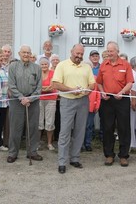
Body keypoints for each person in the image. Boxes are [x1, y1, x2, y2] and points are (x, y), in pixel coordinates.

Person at [52, 44, 95, 174]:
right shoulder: (62, 65)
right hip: (67, 101)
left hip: (83, 101)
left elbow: (92, 83)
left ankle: (75, 158)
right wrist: (71, 90)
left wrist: (87, 91)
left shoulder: (86, 67)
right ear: (71, 51)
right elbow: (56, 84)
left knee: (80, 131)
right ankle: (62, 161)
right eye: (77, 53)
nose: (79, 56)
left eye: (81, 54)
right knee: (65, 131)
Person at [96, 41, 134, 167]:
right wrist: (102, 92)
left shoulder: (126, 65)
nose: (109, 53)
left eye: (112, 51)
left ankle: (123, 155)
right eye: (108, 51)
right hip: (107, 100)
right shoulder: (103, 65)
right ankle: (109, 155)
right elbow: (99, 82)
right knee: (107, 128)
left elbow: (130, 83)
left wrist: (122, 92)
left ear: (117, 51)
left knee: (124, 128)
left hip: (122, 99)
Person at [7, 45, 42, 163]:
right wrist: (21, 98)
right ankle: (13, 153)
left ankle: (32, 152)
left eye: (28, 52)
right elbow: (11, 85)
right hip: (17, 102)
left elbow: (39, 87)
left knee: (33, 128)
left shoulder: (37, 68)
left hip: (33, 102)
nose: (26, 55)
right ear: (19, 53)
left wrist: (30, 99)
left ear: (31, 54)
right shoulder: (13, 67)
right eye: (24, 52)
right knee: (15, 128)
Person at [38, 57, 57, 150]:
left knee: (50, 121)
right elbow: (36, 87)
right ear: (39, 65)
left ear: (48, 65)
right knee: (39, 121)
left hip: (51, 100)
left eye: (45, 64)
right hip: (39, 100)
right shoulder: (37, 74)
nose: (44, 66)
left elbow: (52, 86)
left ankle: (49, 143)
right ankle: (37, 143)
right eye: (42, 64)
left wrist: (42, 89)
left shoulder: (53, 73)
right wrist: (45, 89)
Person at [84, 61, 101, 151]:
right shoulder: (80, 78)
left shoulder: (95, 79)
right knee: (80, 126)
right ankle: (80, 144)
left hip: (91, 107)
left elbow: (98, 93)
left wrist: (97, 104)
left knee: (89, 126)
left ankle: (87, 143)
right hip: (81, 107)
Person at [1, 44, 12, 147]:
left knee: (8, 122)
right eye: (5, 51)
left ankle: (6, 142)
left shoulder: (12, 65)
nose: (6, 54)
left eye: (8, 52)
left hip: (9, 98)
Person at [49, 54, 61, 141]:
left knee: (58, 117)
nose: (55, 61)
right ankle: (50, 137)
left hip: (60, 98)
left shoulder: (61, 70)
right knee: (50, 118)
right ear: (51, 61)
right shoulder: (48, 71)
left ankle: (57, 136)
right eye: (53, 60)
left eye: (57, 60)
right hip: (50, 97)